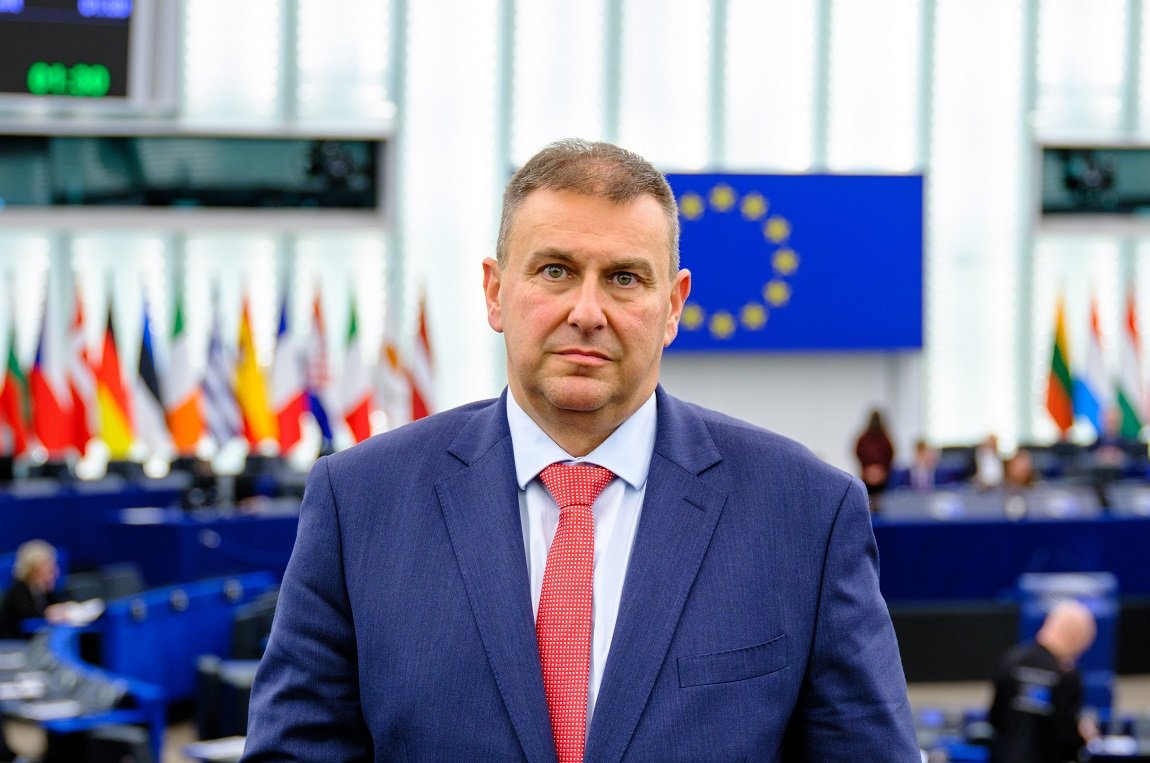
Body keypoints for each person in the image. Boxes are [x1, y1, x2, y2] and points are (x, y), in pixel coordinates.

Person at [243, 139, 919, 761]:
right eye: (556, 270)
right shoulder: (360, 501)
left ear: (673, 305)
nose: (588, 312)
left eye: (624, 278)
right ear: (495, 292)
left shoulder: (805, 512)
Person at [988, 600, 1099, 763]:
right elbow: (1067, 740)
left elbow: (994, 718)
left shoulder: (1011, 660)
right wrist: (1083, 736)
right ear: (1075, 638)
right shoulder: (1066, 676)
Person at [0, 539, 67, 639]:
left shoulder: (45, 590)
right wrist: (50, 614)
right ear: (35, 570)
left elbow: (59, 605)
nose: (56, 573)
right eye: (50, 570)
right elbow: (28, 621)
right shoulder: (18, 590)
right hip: (14, 643)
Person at [855, 408, 895, 501]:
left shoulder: (864, 438)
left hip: (877, 477)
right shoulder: (885, 438)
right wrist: (875, 470)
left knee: (869, 501)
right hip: (872, 476)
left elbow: (890, 455)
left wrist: (874, 470)